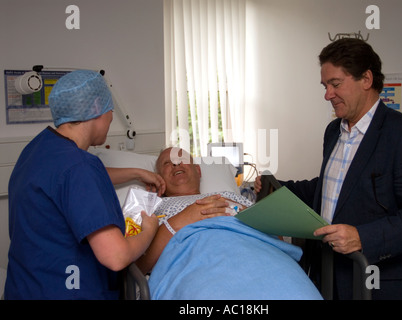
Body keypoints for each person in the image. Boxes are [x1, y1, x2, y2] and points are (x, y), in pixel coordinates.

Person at [255, 38, 402, 300]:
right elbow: (330, 189)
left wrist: (363, 237)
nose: (327, 95)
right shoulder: (334, 131)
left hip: (382, 283)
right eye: (325, 86)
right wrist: (276, 186)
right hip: (330, 277)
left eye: (335, 84)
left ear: (366, 79)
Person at [5, 70, 164, 300]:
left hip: (25, 288)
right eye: (110, 111)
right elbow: (116, 256)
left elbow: (65, 182)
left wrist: (136, 172)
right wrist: (149, 230)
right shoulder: (80, 167)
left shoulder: (38, 149)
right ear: (97, 107)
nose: (110, 119)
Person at [136, 147, 252, 273]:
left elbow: (273, 232)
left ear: (198, 170)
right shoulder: (154, 209)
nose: (175, 164)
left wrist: (239, 210)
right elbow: (140, 265)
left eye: (181, 159)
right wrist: (181, 220)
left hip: (250, 253)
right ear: (159, 179)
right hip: (198, 269)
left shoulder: (229, 196)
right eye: (167, 163)